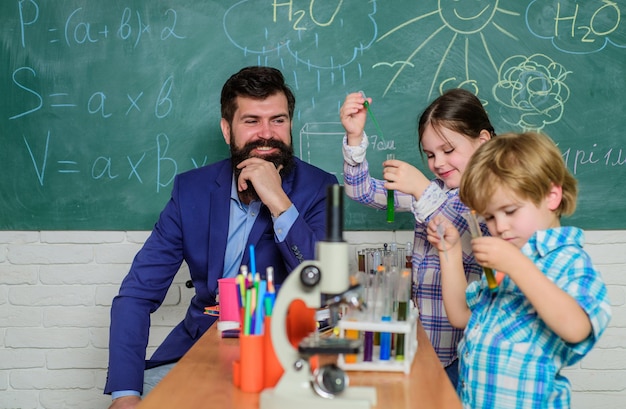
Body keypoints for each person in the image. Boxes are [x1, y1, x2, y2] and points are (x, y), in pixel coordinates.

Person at [105, 66, 338, 408]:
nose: (266, 134)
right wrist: (126, 394)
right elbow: (137, 294)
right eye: (251, 121)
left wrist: (279, 203)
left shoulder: (320, 187)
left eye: (278, 120)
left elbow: (326, 286)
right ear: (227, 130)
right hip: (199, 352)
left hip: (284, 360)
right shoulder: (192, 190)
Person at [427, 131, 612, 408]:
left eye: (510, 211)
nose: (499, 226)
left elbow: (577, 328)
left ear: (552, 196)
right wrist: (449, 252)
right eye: (489, 216)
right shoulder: (509, 262)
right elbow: (461, 315)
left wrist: (516, 265)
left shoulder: (567, 260)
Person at [339, 88, 494, 386]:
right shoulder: (432, 190)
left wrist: (422, 189)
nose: (438, 163)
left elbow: (456, 233)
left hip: (464, 353)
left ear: (483, 141)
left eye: (448, 150)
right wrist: (355, 138)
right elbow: (361, 191)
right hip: (423, 345)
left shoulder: (494, 199)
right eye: (431, 154)